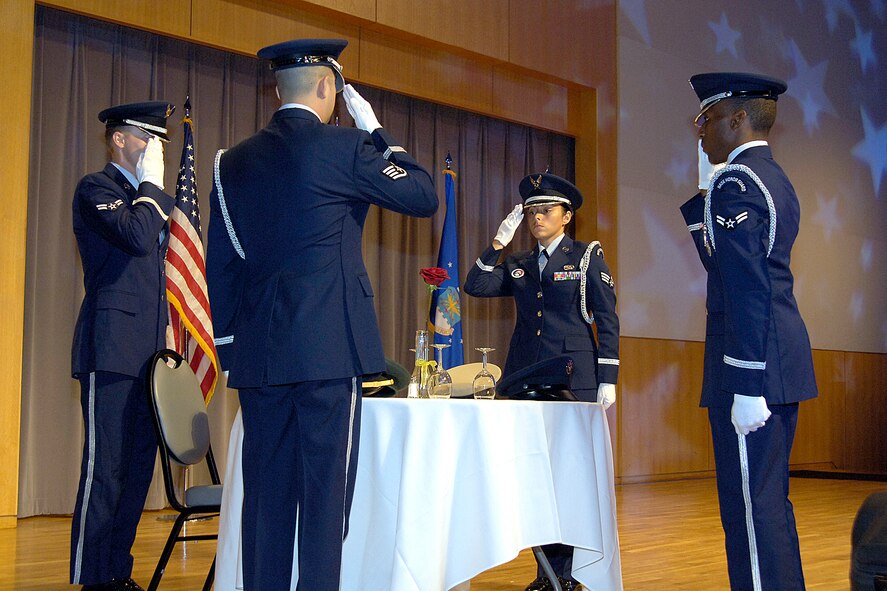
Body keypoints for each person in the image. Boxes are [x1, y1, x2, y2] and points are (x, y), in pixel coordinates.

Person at [206, 38, 437, 591]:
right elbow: (423, 195)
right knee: (323, 503)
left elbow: (223, 266)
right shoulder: (348, 147)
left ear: (278, 89)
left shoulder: (229, 163)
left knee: (265, 502)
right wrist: (379, 136)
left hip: (260, 357)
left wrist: (235, 352)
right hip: (329, 351)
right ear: (329, 87)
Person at [680, 72, 818, 590]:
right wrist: (703, 201)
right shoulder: (771, 177)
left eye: (708, 119)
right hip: (776, 358)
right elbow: (736, 269)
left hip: (753, 367)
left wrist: (745, 382)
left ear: (737, 120)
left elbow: (746, 289)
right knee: (767, 507)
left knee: (750, 515)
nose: (701, 131)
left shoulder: (736, 184)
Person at [464, 173, 619, 591]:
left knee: (568, 480)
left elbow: (606, 318)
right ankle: (546, 575)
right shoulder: (517, 263)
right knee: (536, 478)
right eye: (531, 211)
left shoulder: (585, 257)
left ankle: (566, 576)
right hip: (528, 381)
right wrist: (496, 245)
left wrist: (609, 377)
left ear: (567, 216)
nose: (536, 218)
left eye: (546, 210)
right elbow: (474, 285)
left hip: (573, 380)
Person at [70, 101, 176, 591]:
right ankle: (91, 578)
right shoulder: (98, 188)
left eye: (159, 141)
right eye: (146, 137)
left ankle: (117, 573)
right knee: (105, 470)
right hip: (110, 348)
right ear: (119, 139)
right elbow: (135, 238)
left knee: (136, 473)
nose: (155, 149)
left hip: (149, 355)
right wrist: (152, 187)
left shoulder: (147, 202)